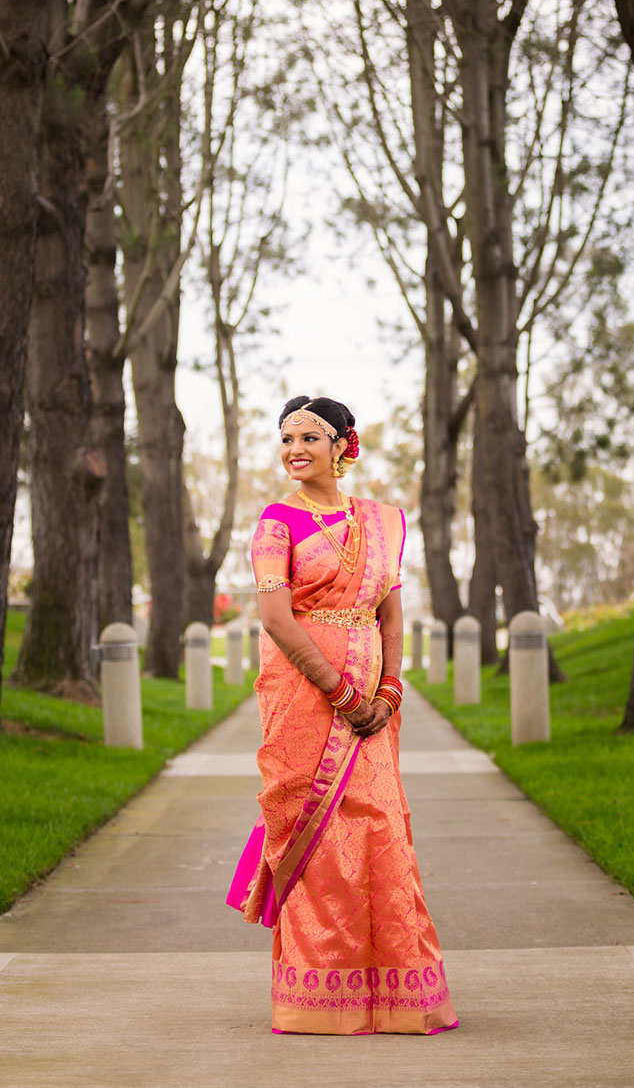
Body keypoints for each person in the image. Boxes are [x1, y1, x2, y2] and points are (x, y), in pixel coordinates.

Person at [228, 394, 458, 1035]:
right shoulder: (276, 522)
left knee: (383, 828)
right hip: (304, 699)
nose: (294, 450)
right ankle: (319, 998)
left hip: (372, 706)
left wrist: (388, 691)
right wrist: (341, 692)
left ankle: (395, 992)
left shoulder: (382, 522)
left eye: (309, 437)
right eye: (285, 439)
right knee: (318, 836)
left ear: (342, 445)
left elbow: (390, 610)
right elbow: (275, 619)